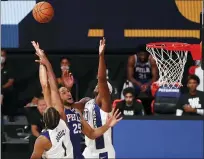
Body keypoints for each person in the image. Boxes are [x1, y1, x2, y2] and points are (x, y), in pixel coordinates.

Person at [32, 41, 122, 159]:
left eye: (68, 91)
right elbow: (48, 86)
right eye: (63, 92)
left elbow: (91, 133)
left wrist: (44, 61)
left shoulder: (71, 114)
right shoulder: (63, 115)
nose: (68, 93)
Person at [31, 42, 73, 159]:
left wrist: (42, 59)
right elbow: (51, 86)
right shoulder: (63, 122)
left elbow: (46, 86)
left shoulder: (43, 139)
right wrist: (43, 59)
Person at [1, 49, 16, 120]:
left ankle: (9, 116)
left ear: (5, 57)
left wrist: (1, 88)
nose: (1, 57)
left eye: (2, 56)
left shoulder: (9, 67)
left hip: (5, 88)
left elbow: (10, 81)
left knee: (10, 92)